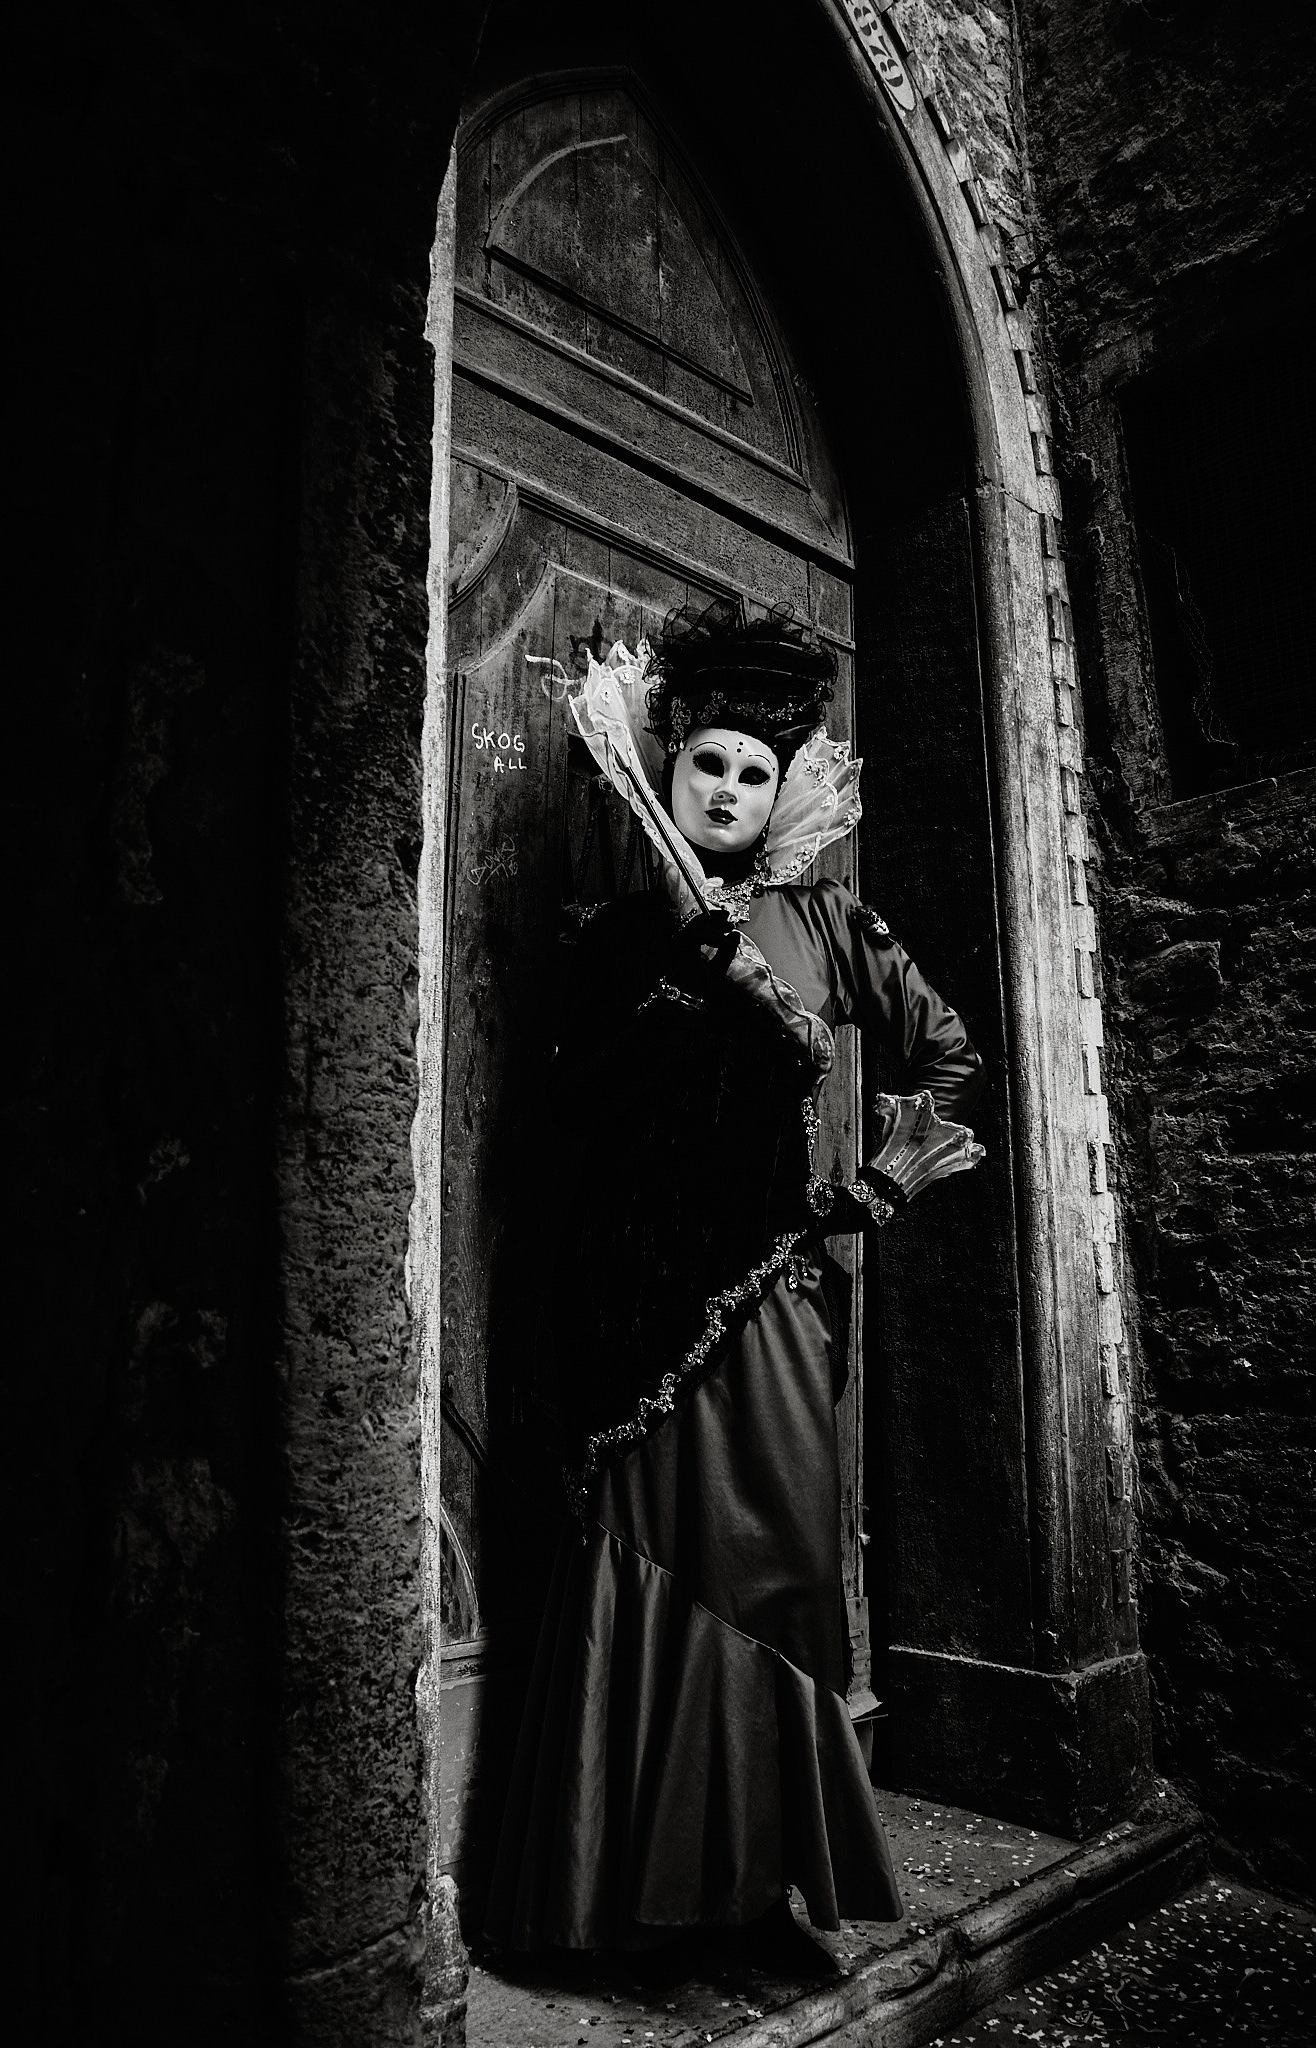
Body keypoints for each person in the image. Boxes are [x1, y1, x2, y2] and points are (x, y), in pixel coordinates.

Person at [484, 600, 984, 1960]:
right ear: (668, 769)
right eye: (705, 762)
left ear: (783, 790)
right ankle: (620, 1894)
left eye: (752, 772)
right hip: (635, 1313)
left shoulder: (829, 929)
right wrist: (670, 993)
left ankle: (751, 1888)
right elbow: (571, 1123)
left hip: (770, 1302)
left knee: (769, 1575)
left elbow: (946, 1063)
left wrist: (876, 1186)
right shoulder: (610, 939)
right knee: (642, 1566)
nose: (724, 789)